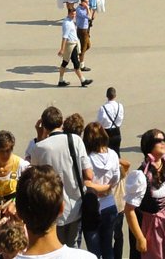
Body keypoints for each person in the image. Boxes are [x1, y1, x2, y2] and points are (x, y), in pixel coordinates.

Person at [27, 105, 96, 247]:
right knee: (73, 247)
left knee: (55, 250)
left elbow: (33, 175)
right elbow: (89, 174)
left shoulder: (39, 148)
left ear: (43, 125)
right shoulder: (75, 140)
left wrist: (40, 135)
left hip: (52, 209)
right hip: (75, 206)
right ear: (61, 122)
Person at [123, 130, 165, 259]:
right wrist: (140, 238)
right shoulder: (141, 176)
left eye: (163, 140)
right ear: (149, 146)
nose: (163, 143)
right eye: (157, 141)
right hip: (151, 227)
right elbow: (129, 210)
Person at [98, 88, 125, 152]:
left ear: (107, 96)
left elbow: (99, 121)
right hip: (117, 131)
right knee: (117, 152)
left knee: (107, 152)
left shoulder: (103, 108)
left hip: (106, 132)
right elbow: (121, 117)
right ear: (115, 95)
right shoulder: (120, 106)